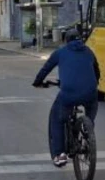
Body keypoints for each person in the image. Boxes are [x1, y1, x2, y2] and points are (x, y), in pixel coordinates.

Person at [32, 30, 101, 168]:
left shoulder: (60, 52)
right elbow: (97, 70)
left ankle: (60, 154)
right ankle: (88, 130)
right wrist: (94, 82)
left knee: (57, 119)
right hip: (90, 92)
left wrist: (37, 82)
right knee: (91, 109)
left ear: (66, 40)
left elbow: (46, 69)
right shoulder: (88, 51)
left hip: (69, 93)